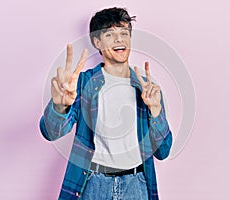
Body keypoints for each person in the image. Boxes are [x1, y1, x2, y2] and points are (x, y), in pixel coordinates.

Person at [39, 7, 172, 200]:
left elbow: (163, 152)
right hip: (93, 184)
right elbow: (50, 133)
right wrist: (59, 107)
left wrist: (156, 111)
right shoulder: (83, 83)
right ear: (97, 41)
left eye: (124, 33)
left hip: (136, 185)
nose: (119, 39)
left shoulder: (147, 88)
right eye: (110, 34)